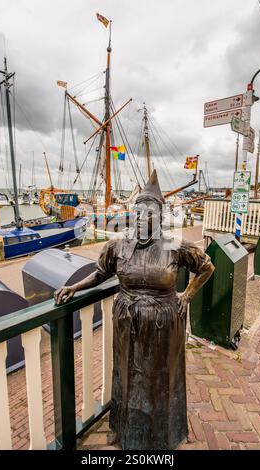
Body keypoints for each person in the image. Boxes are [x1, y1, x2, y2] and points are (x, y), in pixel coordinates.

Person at [55, 170, 214, 450]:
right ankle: (126, 431)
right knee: (126, 375)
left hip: (164, 326)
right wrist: (74, 287)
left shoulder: (175, 245)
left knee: (162, 378)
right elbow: (101, 274)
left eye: (148, 211)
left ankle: (163, 434)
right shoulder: (119, 245)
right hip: (127, 323)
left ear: (160, 215)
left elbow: (206, 267)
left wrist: (187, 295)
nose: (141, 216)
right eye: (137, 210)